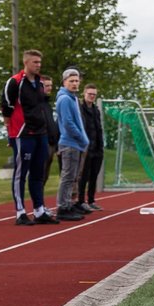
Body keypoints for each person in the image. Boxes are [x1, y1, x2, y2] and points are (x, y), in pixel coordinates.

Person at [1, 50, 56, 225]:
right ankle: (20, 212)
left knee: (38, 173)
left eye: (40, 62)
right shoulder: (15, 82)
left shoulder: (40, 82)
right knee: (20, 174)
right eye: (35, 62)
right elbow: (6, 108)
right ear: (26, 63)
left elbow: (41, 107)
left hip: (41, 133)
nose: (38, 65)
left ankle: (39, 211)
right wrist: (11, 135)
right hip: (23, 134)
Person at [53, 68, 90, 221]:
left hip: (76, 143)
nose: (75, 84)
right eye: (71, 81)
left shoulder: (72, 98)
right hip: (70, 143)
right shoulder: (65, 99)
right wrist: (82, 138)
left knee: (72, 177)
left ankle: (68, 203)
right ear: (64, 82)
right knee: (68, 177)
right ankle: (63, 206)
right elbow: (68, 123)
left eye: (76, 81)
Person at [76, 84, 105, 210]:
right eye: (90, 94)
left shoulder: (96, 110)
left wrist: (101, 146)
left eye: (94, 94)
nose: (92, 96)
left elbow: (99, 128)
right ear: (84, 93)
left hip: (97, 147)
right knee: (84, 176)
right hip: (85, 147)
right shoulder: (80, 109)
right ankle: (81, 200)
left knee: (94, 175)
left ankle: (91, 200)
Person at [40, 74, 60, 184]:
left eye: (50, 85)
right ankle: (37, 200)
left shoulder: (47, 104)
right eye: (47, 85)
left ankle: (40, 200)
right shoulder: (38, 104)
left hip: (51, 143)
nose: (50, 88)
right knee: (41, 174)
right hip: (44, 143)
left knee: (45, 175)